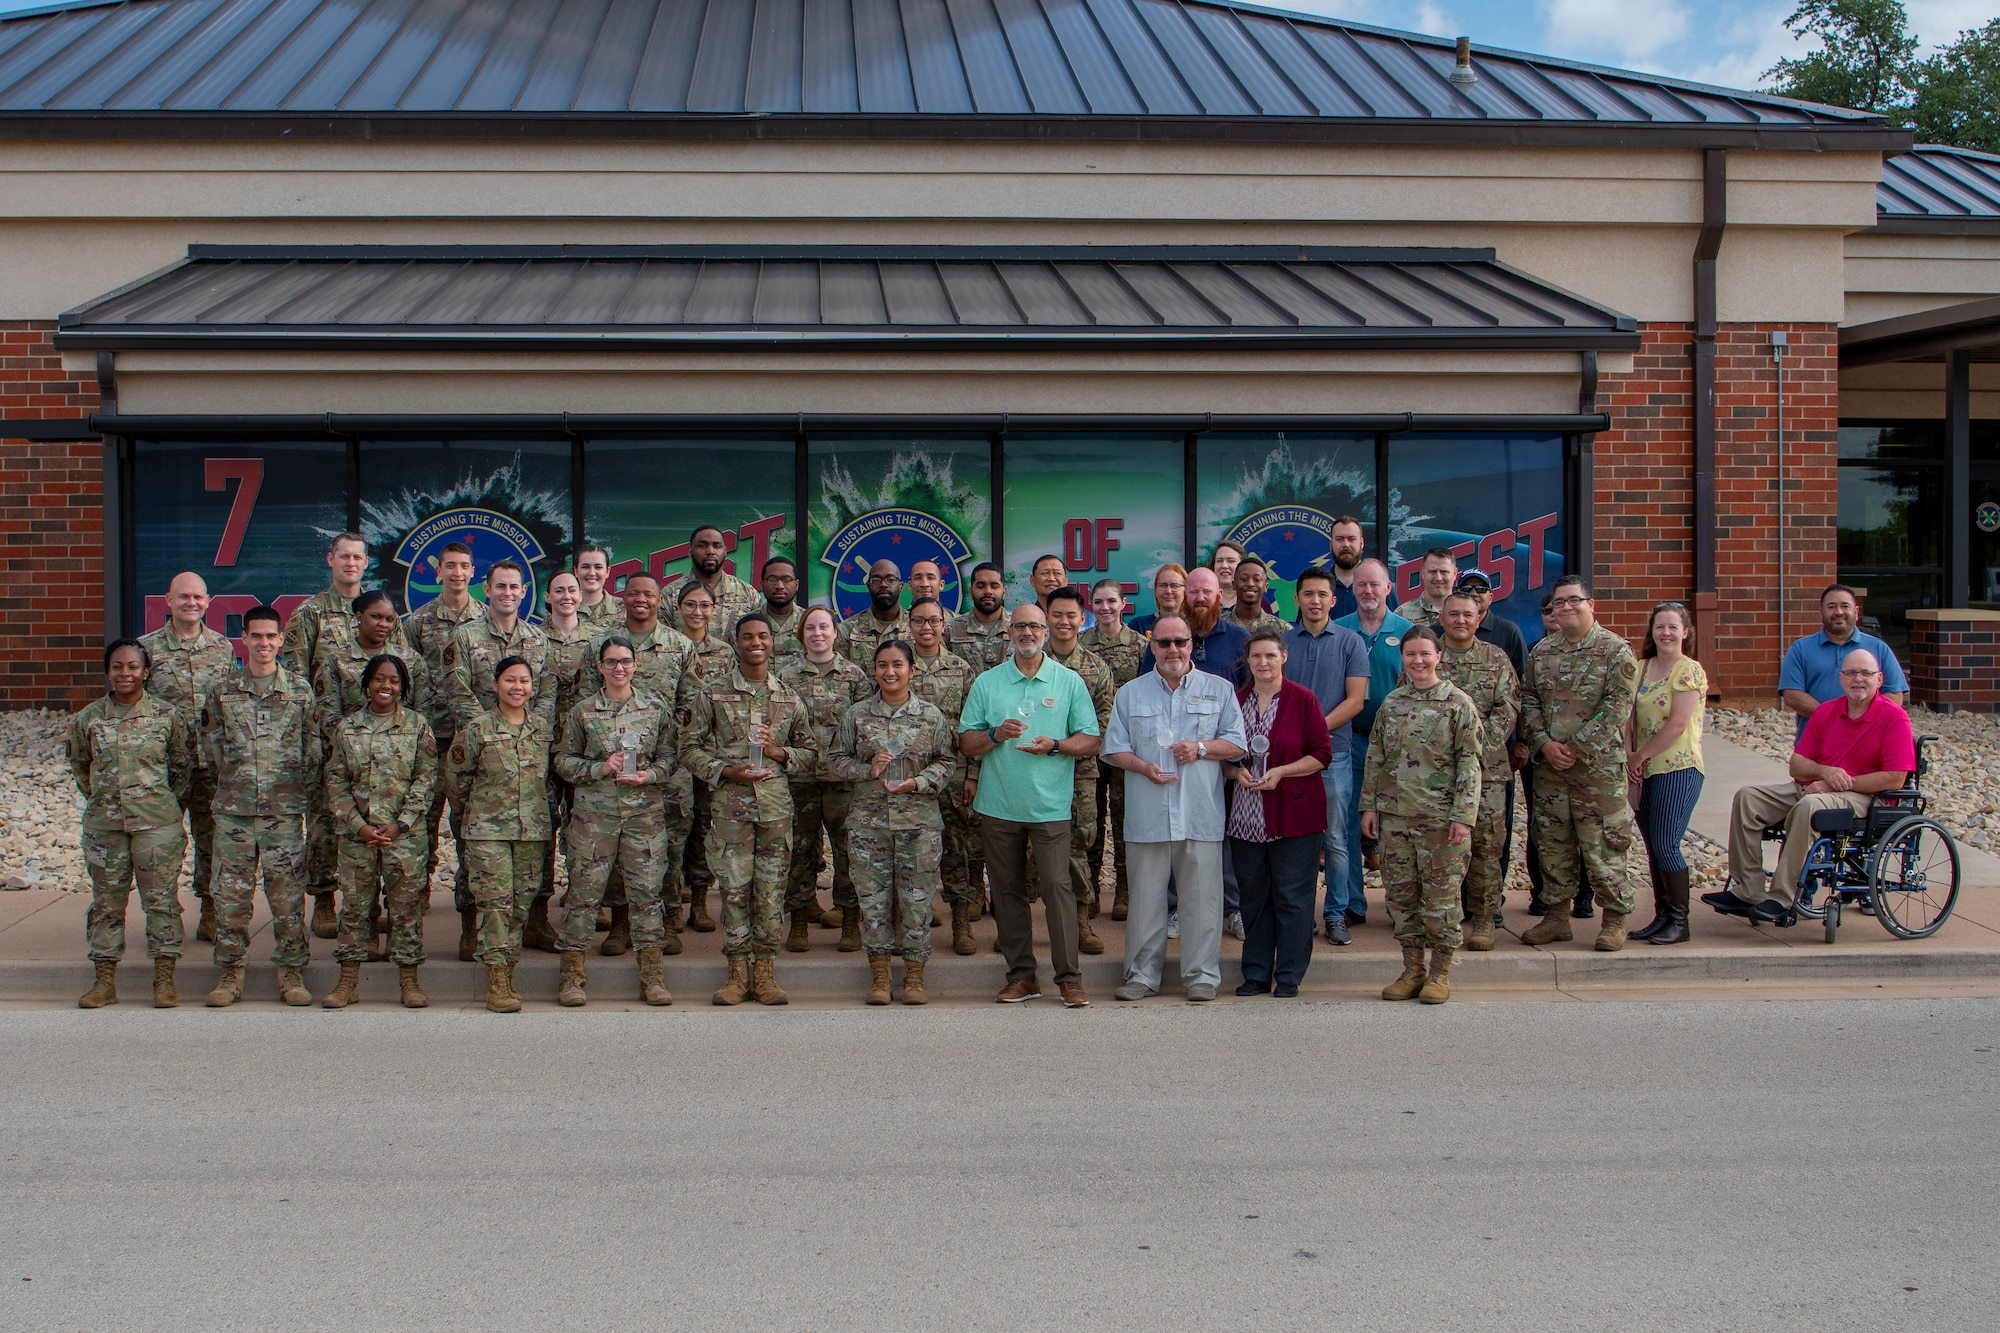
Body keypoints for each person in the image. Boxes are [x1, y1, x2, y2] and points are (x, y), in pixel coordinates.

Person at [957, 602, 1101, 1007]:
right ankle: (1022, 976)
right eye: (1020, 626)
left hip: (1050, 806)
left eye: (1035, 626)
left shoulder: (1068, 681)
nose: (1028, 633)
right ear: (1009, 631)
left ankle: (1069, 978)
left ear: (1046, 632)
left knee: (1057, 888)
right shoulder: (988, 683)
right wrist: (996, 734)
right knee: (1006, 891)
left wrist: (1055, 745)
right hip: (999, 804)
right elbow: (967, 742)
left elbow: (1090, 739)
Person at [1705, 649, 1913, 924]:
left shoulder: (1893, 718)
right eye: (1851, 673)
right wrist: (1825, 772)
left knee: (1809, 806)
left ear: (1880, 678)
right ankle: (1748, 891)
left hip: (1866, 796)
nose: (1858, 679)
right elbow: (1797, 765)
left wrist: (1835, 784)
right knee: (1748, 798)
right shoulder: (1827, 711)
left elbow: (1895, 778)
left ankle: (1782, 898)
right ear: (1841, 678)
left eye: (1866, 673)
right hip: (1817, 786)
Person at [1101, 614, 1246, 1002]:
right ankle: (1141, 976)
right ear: (1152, 646)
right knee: (1146, 903)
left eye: (1180, 642)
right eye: (1164, 643)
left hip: (1200, 815)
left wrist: (1200, 749)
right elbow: (1113, 749)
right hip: (1148, 816)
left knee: (1203, 903)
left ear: (1190, 644)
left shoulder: (1219, 690)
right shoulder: (1130, 694)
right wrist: (1142, 767)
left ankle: (1201, 977)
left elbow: (1237, 743)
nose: (1172, 650)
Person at [680, 612, 819, 1006]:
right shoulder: (712, 694)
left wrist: (779, 752)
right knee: (735, 891)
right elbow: (688, 748)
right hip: (730, 811)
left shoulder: (788, 697)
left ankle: (766, 974)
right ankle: (737, 974)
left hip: (775, 812)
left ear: (772, 642)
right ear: (736, 642)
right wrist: (725, 771)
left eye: (762, 636)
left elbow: (810, 754)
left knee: (771, 893)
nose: (755, 643)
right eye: (747, 637)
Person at [199, 604, 319, 1008]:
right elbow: (213, 743)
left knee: (287, 898)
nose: (264, 643)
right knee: (230, 898)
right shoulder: (222, 691)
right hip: (234, 811)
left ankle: (291, 970)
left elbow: (313, 747)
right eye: (256, 635)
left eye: (271, 636)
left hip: (282, 813)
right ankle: (231, 971)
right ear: (244, 639)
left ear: (281, 639)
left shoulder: (300, 691)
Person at [551, 636, 682, 1007]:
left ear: (636, 664)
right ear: (599, 667)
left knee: (646, 896)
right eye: (611, 662)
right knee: (584, 895)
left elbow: (671, 757)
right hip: (595, 819)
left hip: (644, 818)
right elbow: (562, 760)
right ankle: (572, 977)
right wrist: (597, 768)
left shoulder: (655, 709)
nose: (618, 668)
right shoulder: (581, 712)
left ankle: (652, 978)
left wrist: (650, 775)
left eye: (625, 661)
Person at [826, 640, 957, 1005]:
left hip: (919, 823)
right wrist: (866, 769)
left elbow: (947, 762)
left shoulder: (930, 716)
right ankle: (880, 977)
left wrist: (921, 782)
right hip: (870, 825)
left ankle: (914, 978)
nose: (890, 672)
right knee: (873, 901)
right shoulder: (857, 715)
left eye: (898, 664)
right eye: (882, 665)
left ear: (912, 670)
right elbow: (835, 760)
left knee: (917, 901)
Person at [1520, 575, 1640, 951]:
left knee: (1604, 844)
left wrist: (1577, 747)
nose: (1566, 607)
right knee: (1553, 843)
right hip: (1551, 769)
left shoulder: (1615, 651)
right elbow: (1528, 701)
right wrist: (1544, 743)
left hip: (1597, 770)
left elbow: (1617, 706)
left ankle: (1614, 920)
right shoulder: (1541, 652)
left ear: (1592, 605)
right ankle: (1556, 917)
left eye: (1574, 600)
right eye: (1559, 602)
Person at [1362, 626, 1481, 1004]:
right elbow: (1376, 757)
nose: (1418, 660)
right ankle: (1412, 970)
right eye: (1411, 654)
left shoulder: (1458, 704)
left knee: (1441, 899)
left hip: (1440, 821)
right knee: (1401, 897)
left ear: (1438, 656)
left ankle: (1440, 973)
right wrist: (1370, 806)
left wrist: (1463, 816)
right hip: (1396, 819)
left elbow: (1470, 764)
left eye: (1425, 654)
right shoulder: (1392, 703)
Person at [71, 639, 192, 1010]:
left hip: (157, 825)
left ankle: (164, 981)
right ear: (107, 671)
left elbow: (182, 768)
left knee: (161, 903)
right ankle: (105, 982)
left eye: (133, 667)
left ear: (145, 671)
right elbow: (81, 767)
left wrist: (162, 806)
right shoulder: (88, 718)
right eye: (118, 666)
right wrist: (106, 800)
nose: (125, 673)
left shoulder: (166, 716)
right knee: (107, 903)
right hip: (105, 826)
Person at [443, 559, 555, 961]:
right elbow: (456, 690)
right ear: (486, 590)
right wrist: (491, 732)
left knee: (534, 843)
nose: (508, 593)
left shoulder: (538, 639)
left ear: (524, 592)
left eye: (515, 587)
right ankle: (472, 926)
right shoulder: (463, 636)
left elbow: (546, 691)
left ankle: (532, 922)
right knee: (474, 844)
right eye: (500, 586)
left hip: (529, 750)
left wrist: (530, 729)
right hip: (483, 751)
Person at [314, 590, 431, 961]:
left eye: (389, 618)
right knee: (355, 874)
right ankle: (359, 933)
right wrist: (359, 736)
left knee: (402, 879)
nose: (382, 624)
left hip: (399, 772)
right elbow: (327, 711)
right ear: (359, 618)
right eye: (375, 617)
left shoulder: (411, 660)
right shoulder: (334, 661)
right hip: (355, 767)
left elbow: (420, 714)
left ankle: (400, 943)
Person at [320, 654, 438, 1010]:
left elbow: (427, 778)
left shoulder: (418, 726)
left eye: (394, 681)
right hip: (359, 836)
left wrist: (401, 823)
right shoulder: (347, 728)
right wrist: (359, 826)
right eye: (379, 679)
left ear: (403, 687)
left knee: (405, 909)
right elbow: (336, 781)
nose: (386, 687)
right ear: (367, 683)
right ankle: (348, 981)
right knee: (355, 908)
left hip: (405, 836)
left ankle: (409, 979)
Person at [587, 572, 698, 935]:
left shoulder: (679, 644)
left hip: (667, 763)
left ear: (659, 599)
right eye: (633, 593)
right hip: (614, 766)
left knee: (671, 843)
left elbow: (691, 703)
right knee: (620, 849)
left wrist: (665, 746)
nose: (641, 600)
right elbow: (587, 702)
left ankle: (667, 921)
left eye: (648, 594)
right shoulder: (601, 644)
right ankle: (621, 925)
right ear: (623, 598)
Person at [283, 530, 379, 942]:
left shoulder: (378, 611)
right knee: (324, 821)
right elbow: (294, 680)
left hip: (376, 743)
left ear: (366, 562)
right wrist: (314, 738)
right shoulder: (311, 614)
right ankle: (324, 899)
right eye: (343, 557)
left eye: (357, 557)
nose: (350, 564)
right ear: (330, 560)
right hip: (328, 740)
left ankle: (368, 905)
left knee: (371, 820)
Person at [1224, 629, 1329, 998]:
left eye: (1270, 655)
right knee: (1252, 898)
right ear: (1247, 661)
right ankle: (1255, 973)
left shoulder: (1303, 700)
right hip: (1245, 818)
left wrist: (1282, 772)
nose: (1263, 663)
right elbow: (1223, 759)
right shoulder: (1235, 701)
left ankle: (1288, 974)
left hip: (1294, 815)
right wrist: (1237, 772)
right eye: (1256, 657)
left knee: (1292, 898)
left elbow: (1321, 754)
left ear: (1284, 657)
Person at [455, 656, 560, 1011]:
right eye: (510, 680)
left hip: (531, 832)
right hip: (488, 832)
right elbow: (457, 780)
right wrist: (475, 814)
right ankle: (497, 983)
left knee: (519, 906)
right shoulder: (477, 729)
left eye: (525, 681)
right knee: (494, 905)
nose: (518, 688)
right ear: (496, 684)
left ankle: (509, 968)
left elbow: (549, 779)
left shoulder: (543, 729)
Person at [139, 571, 235, 945]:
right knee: (161, 844)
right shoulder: (147, 649)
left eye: (197, 597)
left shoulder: (222, 648)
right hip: (166, 768)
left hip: (211, 766)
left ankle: (210, 910)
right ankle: (165, 914)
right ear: (169, 600)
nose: (191, 603)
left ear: (208, 601)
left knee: (213, 841)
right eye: (183, 597)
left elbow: (228, 705)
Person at [1281, 566, 1368, 945]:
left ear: (1333, 601)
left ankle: (1335, 912)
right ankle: (1300, 914)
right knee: (1295, 839)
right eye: (1308, 594)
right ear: (1297, 599)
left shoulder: (1350, 642)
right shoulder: (1284, 644)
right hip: (1289, 757)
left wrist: (1314, 731)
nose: (1315, 601)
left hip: (1336, 755)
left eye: (1322, 595)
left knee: (1335, 838)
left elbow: (1355, 700)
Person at [777, 605, 871, 951]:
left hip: (842, 780)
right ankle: (799, 923)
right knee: (799, 851)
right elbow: (779, 726)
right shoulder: (784, 677)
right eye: (811, 628)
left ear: (835, 633)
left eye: (824, 627)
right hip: (799, 779)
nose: (818, 633)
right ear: (801, 634)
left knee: (848, 851)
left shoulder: (854, 676)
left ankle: (849, 922)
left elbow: (866, 725)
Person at [401, 538, 480, 926]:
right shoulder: (417, 622)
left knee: (467, 819)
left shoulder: (483, 619)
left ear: (472, 571)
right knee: (423, 817)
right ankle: (417, 894)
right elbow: (407, 677)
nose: (457, 572)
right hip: (431, 735)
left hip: (469, 736)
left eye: (463, 565)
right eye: (450, 565)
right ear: (439, 572)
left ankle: (470, 901)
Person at [1437, 591, 1520, 951]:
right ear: (1442, 618)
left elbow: (1508, 707)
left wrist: (1474, 752)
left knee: (1487, 847)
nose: (1460, 620)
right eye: (1453, 614)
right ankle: (1446, 916)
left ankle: (1485, 918)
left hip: (1488, 771)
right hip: (1437, 774)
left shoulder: (1495, 657)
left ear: (1478, 618)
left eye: (1467, 615)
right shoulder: (1428, 655)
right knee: (1442, 847)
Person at [1333, 557, 1412, 925]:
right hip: (1351, 741)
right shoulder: (1339, 631)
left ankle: (1401, 904)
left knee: (1396, 826)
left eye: (1374, 584)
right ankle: (1352, 903)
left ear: (1388, 588)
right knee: (1347, 823)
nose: (1367, 591)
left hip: (1398, 748)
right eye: (1361, 585)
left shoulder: (1409, 633)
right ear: (1353, 590)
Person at [1626, 602, 1707, 945]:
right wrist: (1630, 756)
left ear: (1685, 632)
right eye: (1660, 626)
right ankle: (1661, 917)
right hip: (1642, 769)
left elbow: (1677, 725)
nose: (1666, 633)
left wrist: (1641, 755)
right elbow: (1628, 717)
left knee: (1666, 842)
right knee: (1652, 846)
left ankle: (1679, 921)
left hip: (1678, 767)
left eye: (1673, 627)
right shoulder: (1640, 668)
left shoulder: (1689, 671)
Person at [906, 597, 980, 953]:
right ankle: (904, 923)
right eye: (919, 621)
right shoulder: (898, 664)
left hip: (952, 772)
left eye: (934, 621)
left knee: (956, 849)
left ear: (944, 625)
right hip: (909, 773)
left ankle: (961, 922)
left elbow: (975, 726)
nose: (927, 628)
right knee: (908, 850)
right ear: (909, 624)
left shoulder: (961, 669)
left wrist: (973, 774)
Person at [1042, 586, 1114, 955]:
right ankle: (1020, 924)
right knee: (1027, 845)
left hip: (1079, 772)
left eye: (1071, 615)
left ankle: (1080, 921)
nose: (1064, 622)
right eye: (1057, 615)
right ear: (1046, 617)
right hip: (1031, 771)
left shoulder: (1096, 669)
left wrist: (1062, 745)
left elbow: (1103, 729)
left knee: (1078, 841)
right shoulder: (1025, 662)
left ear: (1081, 619)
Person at [533, 570, 593, 952]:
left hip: (585, 746)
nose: (568, 595)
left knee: (584, 827)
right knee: (542, 827)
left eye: (573, 590)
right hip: (540, 745)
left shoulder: (597, 637)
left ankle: (581, 900)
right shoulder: (532, 638)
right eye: (560, 590)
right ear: (548, 597)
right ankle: (536, 915)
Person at [1082, 578, 1147, 920]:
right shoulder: (1080, 645)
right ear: (1091, 606)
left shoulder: (1139, 646)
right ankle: (1090, 892)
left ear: (1124, 604)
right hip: (1089, 747)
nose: (1105, 608)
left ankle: (1123, 891)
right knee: (1090, 820)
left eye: (1111, 601)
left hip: (1126, 746)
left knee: (1124, 821)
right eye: (1098, 601)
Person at [1778, 584, 1909, 738]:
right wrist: (1833, 719)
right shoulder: (1800, 649)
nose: (1838, 612)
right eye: (1831, 606)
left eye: (1845, 606)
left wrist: (1861, 719)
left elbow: (1894, 695)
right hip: (1816, 741)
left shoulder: (1879, 648)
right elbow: (1792, 695)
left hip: (1866, 740)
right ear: (1821, 612)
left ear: (1856, 611)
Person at [1140, 567, 1248, 684]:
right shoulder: (1163, 639)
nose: (1200, 598)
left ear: (1219, 595)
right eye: (1194, 592)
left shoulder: (1240, 639)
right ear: (1185, 595)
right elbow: (1145, 686)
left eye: (1207, 591)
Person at [666, 524, 761, 634]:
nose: (710, 551)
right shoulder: (670, 594)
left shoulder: (748, 594)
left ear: (725, 552)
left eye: (717, 546)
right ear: (690, 551)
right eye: (702, 546)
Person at [1453, 569, 1527, 678]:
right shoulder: (1440, 630)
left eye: (1481, 589)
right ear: (1455, 594)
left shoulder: (1509, 632)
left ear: (1491, 598)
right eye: (1466, 589)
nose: (1473, 593)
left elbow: (1524, 679)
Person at [836, 559, 910, 668]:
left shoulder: (917, 626)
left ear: (901, 586)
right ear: (868, 587)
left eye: (890, 579)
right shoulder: (847, 630)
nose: (883, 584)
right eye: (876, 580)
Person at [946, 561, 1012, 670]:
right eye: (981, 586)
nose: (988, 591)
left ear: (1004, 592)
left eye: (994, 586)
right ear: (971, 592)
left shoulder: (1019, 626)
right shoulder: (951, 629)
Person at [759, 556, 807, 658]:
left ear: (797, 584)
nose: (779, 586)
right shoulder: (747, 626)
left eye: (786, 579)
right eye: (772, 579)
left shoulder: (810, 623)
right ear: (762, 584)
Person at [1229, 554, 1288, 634]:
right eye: (1244, 579)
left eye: (1256, 579)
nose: (1250, 584)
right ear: (1234, 584)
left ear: (1266, 586)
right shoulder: (1218, 624)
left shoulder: (1282, 629)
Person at [1400, 546, 1459, 627]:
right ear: (1423, 573)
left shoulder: (1466, 614)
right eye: (1432, 571)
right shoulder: (1402, 614)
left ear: (1455, 573)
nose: (1438, 578)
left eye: (1444, 572)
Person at [1326, 515, 1370, 621]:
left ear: (1361, 543)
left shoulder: (1378, 587)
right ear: (1331, 544)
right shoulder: (1319, 587)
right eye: (1339, 539)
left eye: (1351, 539)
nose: (1346, 545)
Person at [1127, 563, 1186, 637]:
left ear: (1186, 590)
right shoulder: (1138, 626)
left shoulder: (1194, 626)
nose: (1168, 591)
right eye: (1163, 585)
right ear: (1155, 590)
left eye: (1174, 585)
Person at [573, 542, 621, 627]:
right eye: (585, 567)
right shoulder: (564, 608)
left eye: (598, 567)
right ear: (576, 571)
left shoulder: (625, 609)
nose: (592, 573)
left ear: (607, 572)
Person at [1210, 540, 1243, 614]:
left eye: (1231, 561)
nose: (1224, 565)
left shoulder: (1256, 601)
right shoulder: (1203, 599)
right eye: (1219, 561)